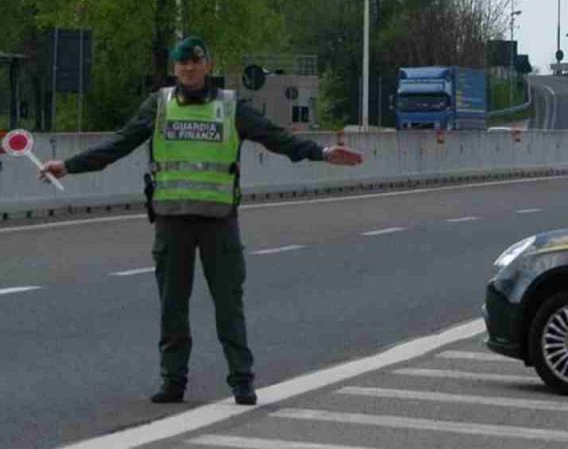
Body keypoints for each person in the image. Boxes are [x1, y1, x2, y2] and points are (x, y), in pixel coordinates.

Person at [39, 36, 363, 405]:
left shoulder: (230, 106)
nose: (188, 68)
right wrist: (67, 166)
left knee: (228, 305)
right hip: (171, 221)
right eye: (182, 63)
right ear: (174, 68)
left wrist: (321, 153)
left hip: (218, 221)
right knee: (172, 308)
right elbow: (118, 144)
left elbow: (276, 138)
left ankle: (242, 380)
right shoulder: (158, 106)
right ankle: (173, 382)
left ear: (207, 65)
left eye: (195, 61)